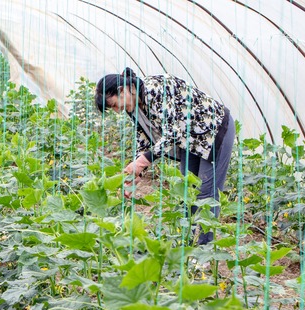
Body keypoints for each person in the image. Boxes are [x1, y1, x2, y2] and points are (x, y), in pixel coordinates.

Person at [95, 67, 236, 245]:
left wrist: (142, 162)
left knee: (206, 195)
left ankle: (204, 251)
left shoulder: (155, 88)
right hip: (189, 139)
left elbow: (172, 133)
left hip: (214, 131)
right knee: (187, 190)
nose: (117, 110)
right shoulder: (134, 106)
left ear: (122, 90)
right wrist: (137, 173)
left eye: (115, 104)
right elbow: (144, 140)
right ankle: (188, 244)